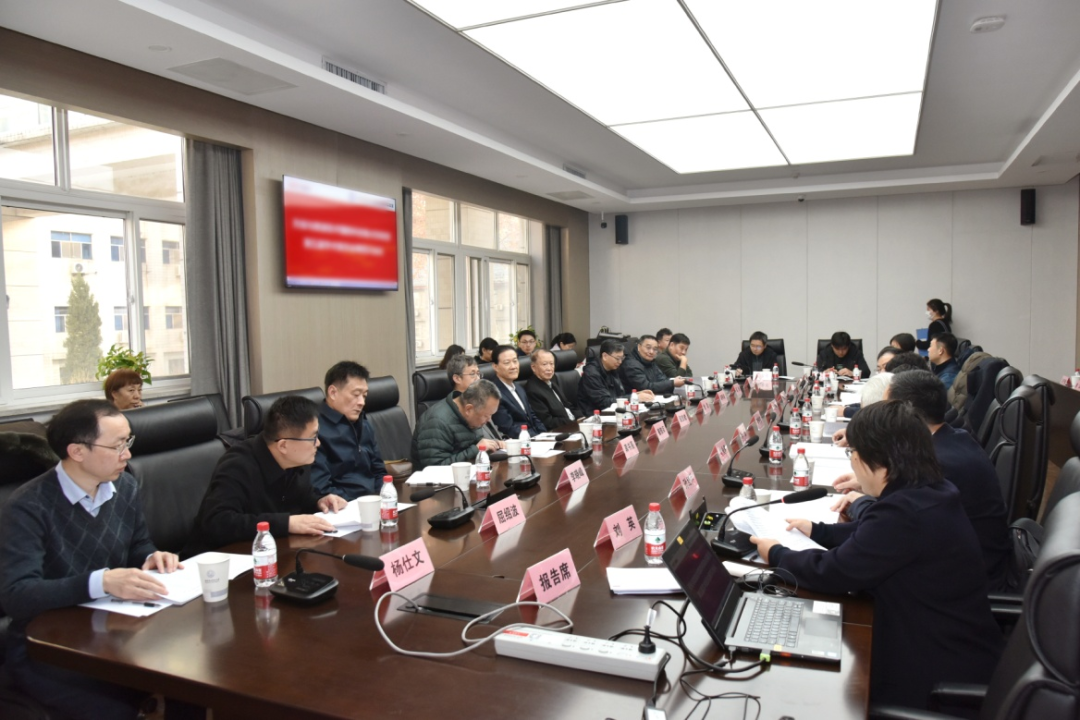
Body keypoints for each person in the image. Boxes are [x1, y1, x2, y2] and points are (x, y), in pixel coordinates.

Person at [750, 401, 1003, 709]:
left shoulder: (904, 513)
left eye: (853, 455)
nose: (854, 464)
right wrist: (819, 531)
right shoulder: (929, 489)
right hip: (950, 641)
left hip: (932, 669)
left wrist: (777, 553)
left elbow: (835, 572)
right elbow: (876, 538)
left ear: (876, 461)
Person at [0, 400, 198, 720]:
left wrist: (152, 556)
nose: (127, 454)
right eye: (118, 445)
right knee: (116, 710)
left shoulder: (124, 486)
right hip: (48, 648)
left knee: (189, 681)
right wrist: (101, 582)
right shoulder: (27, 507)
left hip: (110, 631)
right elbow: (17, 595)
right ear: (77, 451)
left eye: (128, 442)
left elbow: (138, 543)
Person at [831, 371, 1013, 591]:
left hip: (963, 585)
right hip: (953, 565)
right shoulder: (952, 438)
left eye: (887, 408)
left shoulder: (938, 463)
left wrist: (861, 500)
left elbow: (891, 529)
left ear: (907, 413)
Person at [187, 396, 347, 555]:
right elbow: (218, 522)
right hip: (220, 559)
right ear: (283, 445)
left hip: (271, 551)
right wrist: (286, 523)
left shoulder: (296, 460)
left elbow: (300, 497)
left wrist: (318, 501)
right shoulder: (238, 465)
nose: (318, 443)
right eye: (313, 437)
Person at [311, 361, 387, 501]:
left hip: (373, 502)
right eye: (356, 394)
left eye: (364, 395)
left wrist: (382, 496)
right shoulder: (315, 429)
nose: (362, 402)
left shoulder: (363, 423)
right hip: (342, 506)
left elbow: (379, 471)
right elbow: (321, 487)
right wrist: (357, 504)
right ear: (333, 393)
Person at [412, 379, 502, 469]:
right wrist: (475, 449)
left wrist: (494, 445)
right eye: (486, 415)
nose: (489, 420)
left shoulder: (472, 416)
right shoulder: (437, 422)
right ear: (469, 409)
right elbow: (436, 468)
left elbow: (477, 443)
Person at [577, 339, 655, 416]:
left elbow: (619, 395)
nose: (620, 362)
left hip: (612, 411)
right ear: (605, 356)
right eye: (617, 358)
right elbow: (604, 402)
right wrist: (633, 397)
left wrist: (636, 395)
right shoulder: (592, 374)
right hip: (595, 415)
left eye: (622, 358)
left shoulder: (613, 368)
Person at [447, 354, 503, 445]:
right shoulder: (455, 410)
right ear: (457, 378)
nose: (478, 378)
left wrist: (504, 442)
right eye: (472, 374)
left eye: (478, 373)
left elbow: (494, 433)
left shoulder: (481, 399)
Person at [490, 345, 546, 437]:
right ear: (495, 366)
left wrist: (544, 434)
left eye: (515, 361)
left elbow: (532, 416)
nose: (513, 366)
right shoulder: (494, 393)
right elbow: (507, 428)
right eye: (507, 363)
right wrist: (535, 437)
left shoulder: (518, 387)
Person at [525, 348, 577, 430]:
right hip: (559, 430)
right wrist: (572, 422)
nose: (549, 368)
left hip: (571, 423)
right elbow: (547, 422)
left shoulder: (551, 381)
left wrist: (581, 418)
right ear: (533, 367)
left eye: (551, 364)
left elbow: (567, 405)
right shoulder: (532, 390)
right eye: (544, 364)